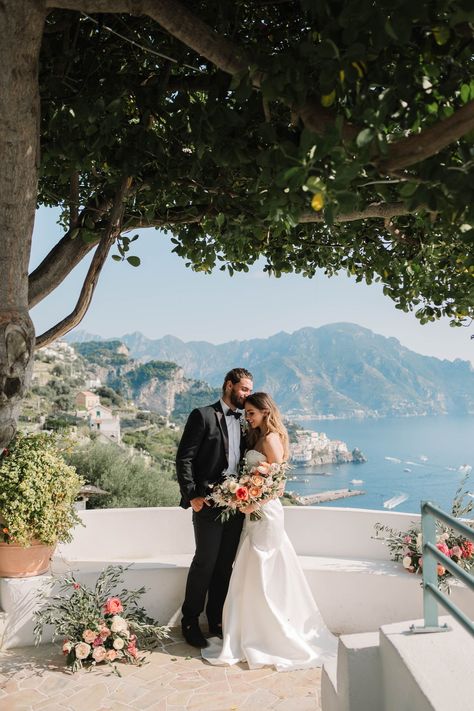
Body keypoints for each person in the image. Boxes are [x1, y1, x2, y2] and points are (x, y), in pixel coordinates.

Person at [202, 392, 337, 670]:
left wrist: (253, 502)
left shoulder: (272, 439)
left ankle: (268, 634)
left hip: (267, 513)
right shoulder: (256, 437)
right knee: (251, 568)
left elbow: (279, 485)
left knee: (263, 567)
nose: (247, 417)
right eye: (247, 413)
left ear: (265, 412)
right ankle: (249, 630)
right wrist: (244, 498)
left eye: (251, 413)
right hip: (253, 513)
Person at [176, 367, 253, 648]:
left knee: (225, 565)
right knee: (205, 562)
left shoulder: (246, 420)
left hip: (235, 504)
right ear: (228, 385)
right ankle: (189, 621)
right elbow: (184, 459)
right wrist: (192, 495)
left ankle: (216, 620)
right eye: (243, 389)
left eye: (249, 390)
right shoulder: (203, 415)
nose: (247, 395)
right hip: (207, 503)